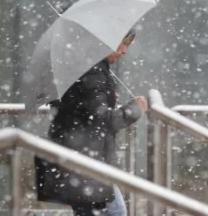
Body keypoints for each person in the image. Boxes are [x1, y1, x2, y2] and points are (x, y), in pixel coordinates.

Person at [35, 29, 149, 216]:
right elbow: (102, 121)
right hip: (86, 164)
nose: (124, 51)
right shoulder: (93, 73)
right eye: (123, 43)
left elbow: (86, 111)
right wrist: (135, 110)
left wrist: (105, 99)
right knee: (116, 212)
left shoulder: (89, 68)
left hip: (81, 161)